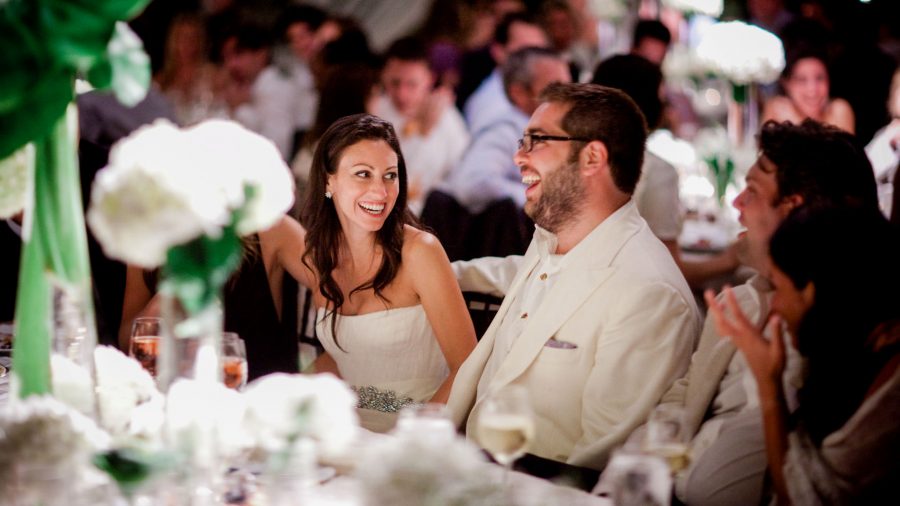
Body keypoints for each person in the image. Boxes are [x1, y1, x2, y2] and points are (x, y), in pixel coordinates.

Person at [447, 83, 700, 471]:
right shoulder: (554, 239)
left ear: (591, 157)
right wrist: (424, 272)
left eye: (536, 141)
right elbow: (515, 274)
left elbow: (599, 462)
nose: (518, 156)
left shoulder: (649, 293)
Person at [655, 119, 879, 506]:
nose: (737, 203)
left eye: (753, 192)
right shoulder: (740, 299)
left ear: (796, 209)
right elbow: (681, 398)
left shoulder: (841, 343)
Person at [279, 114, 477, 430]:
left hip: (414, 434)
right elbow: (343, 355)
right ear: (329, 181)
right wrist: (285, 397)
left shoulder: (419, 252)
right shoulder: (322, 256)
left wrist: (415, 438)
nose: (380, 192)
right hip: (348, 431)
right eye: (363, 174)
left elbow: (468, 367)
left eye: (389, 175)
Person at [706, 206, 900, 504]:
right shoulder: (843, 354)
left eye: (781, 290)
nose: (776, 307)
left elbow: (799, 497)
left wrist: (768, 386)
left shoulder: (888, 403)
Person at [591, 54, 739, 290]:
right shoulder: (655, 169)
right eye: (661, 98)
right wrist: (733, 258)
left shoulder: (583, 156)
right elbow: (670, 272)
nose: (666, 107)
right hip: (630, 294)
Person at [444, 47, 570, 215]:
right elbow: (472, 183)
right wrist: (543, 198)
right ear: (519, 93)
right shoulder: (504, 131)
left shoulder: (557, 130)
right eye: (556, 87)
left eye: (569, 85)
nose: (568, 95)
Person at [373, 36, 469, 215]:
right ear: (383, 75)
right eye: (395, 83)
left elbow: (462, 176)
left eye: (412, 84)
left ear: (429, 79)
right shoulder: (373, 110)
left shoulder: (448, 119)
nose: (402, 94)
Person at [762, 49, 855, 133]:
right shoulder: (777, 108)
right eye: (802, 80)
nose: (812, 89)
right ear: (787, 84)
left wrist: (796, 122)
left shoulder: (839, 110)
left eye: (819, 78)